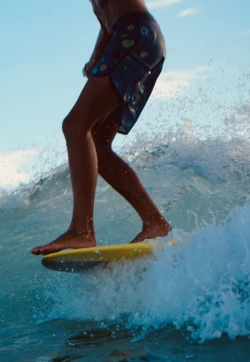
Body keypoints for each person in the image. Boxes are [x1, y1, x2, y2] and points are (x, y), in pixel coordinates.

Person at [31, 0, 171, 256]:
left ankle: (82, 230)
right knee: (96, 145)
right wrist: (97, 56)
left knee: (75, 126)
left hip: (136, 36)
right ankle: (155, 223)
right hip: (128, 38)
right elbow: (107, 23)